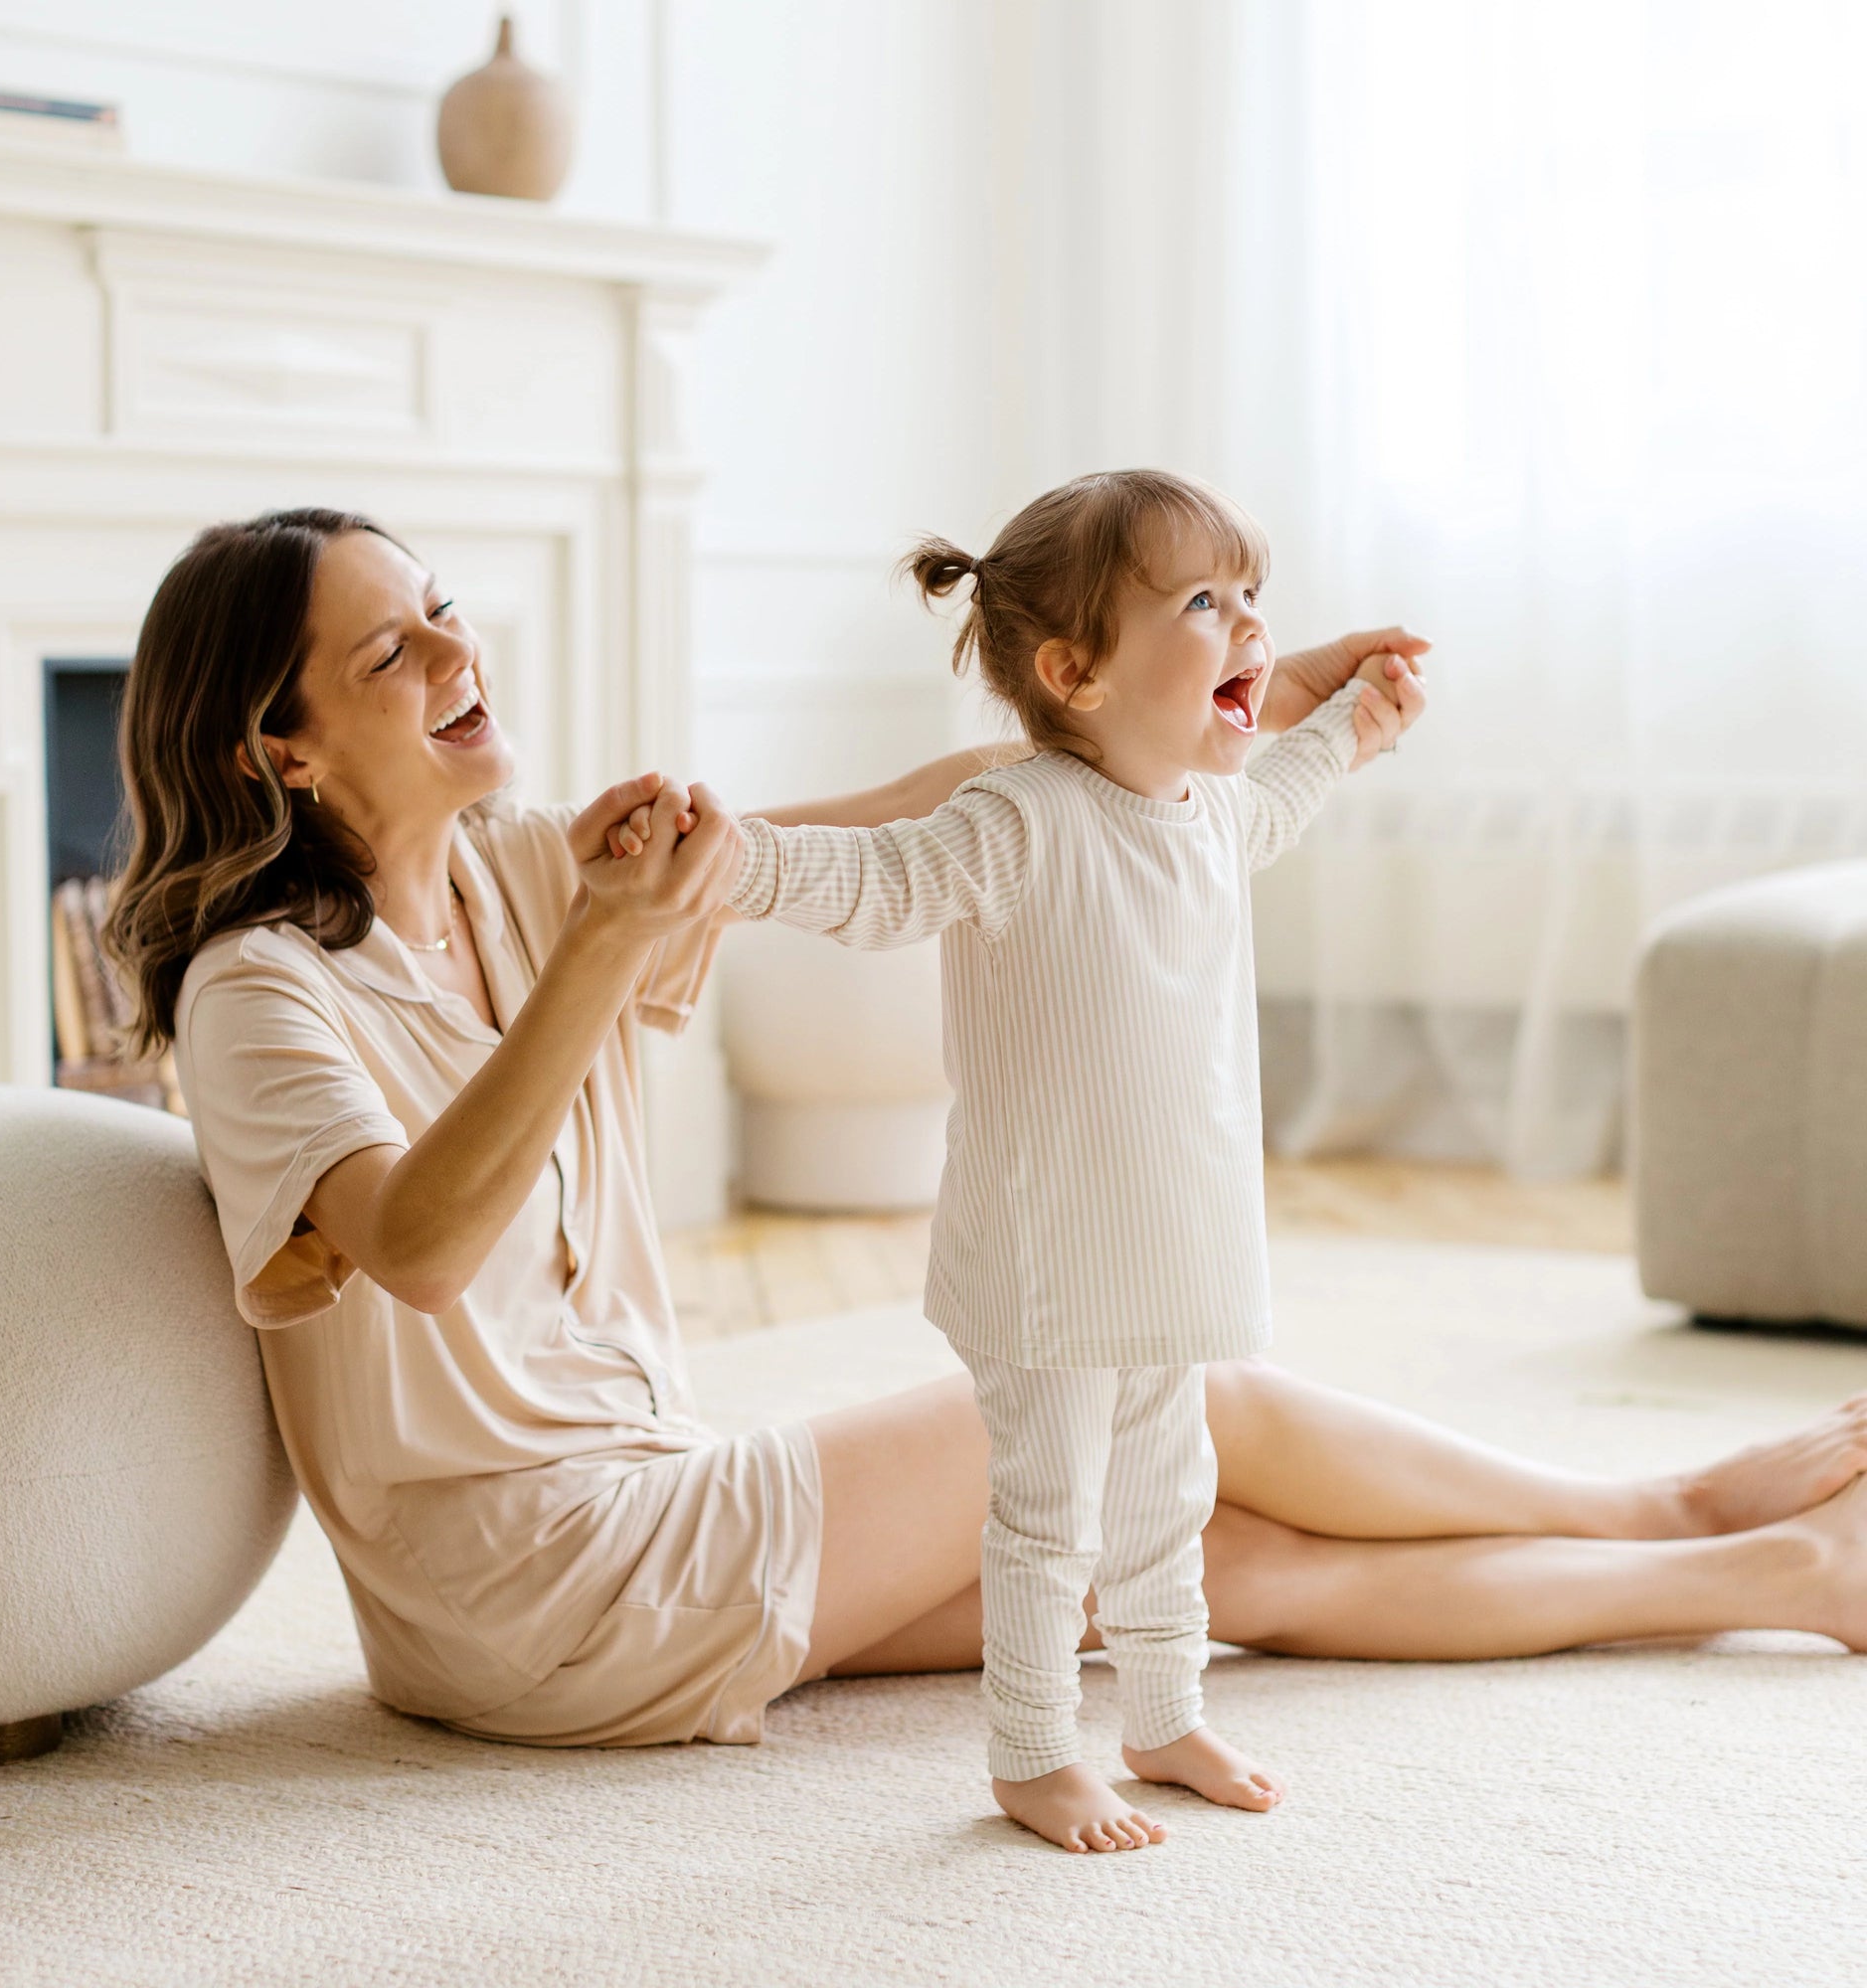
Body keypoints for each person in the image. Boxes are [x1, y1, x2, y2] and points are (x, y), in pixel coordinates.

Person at [104, 507, 1867, 1849]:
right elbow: (414, 1245)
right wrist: (599, 956)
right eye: (388, 654)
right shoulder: (255, 993)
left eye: (443, 612)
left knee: (1220, 1558)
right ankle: (1679, 1508)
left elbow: (945, 809)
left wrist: (1236, 695)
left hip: (651, 1516)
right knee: (1177, 1389)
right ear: (281, 746)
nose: (447, 649)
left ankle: (1769, 1580)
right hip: (537, 1587)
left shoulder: (505, 866)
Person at [620, 469, 1414, 1851]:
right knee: (1049, 1515)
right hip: (1050, 1255)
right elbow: (874, 882)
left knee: (1174, 1486)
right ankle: (1035, 1751)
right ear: (1075, 672)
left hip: (1177, 1235)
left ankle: (1164, 1714)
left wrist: (1353, 720)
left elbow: (1288, 784)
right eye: (1206, 604)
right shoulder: (1021, 820)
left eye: (1254, 599)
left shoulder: (1210, 815)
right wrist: (733, 860)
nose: (1249, 632)